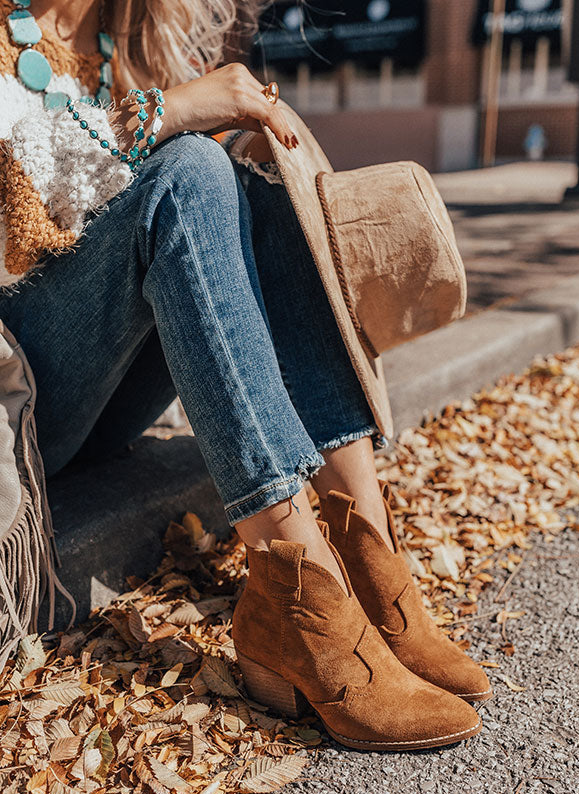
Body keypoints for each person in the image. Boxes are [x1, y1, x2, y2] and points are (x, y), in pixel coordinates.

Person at [0, 0, 491, 751]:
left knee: (253, 188)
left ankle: (364, 545)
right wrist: (169, 113)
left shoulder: (125, 40)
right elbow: (23, 215)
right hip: (29, 392)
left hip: (104, 393)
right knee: (189, 169)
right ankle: (297, 586)